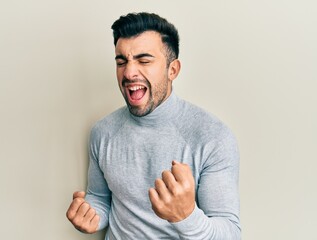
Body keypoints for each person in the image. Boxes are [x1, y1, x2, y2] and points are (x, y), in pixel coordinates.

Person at [66, 12, 241, 239]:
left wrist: (186, 217)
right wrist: (91, 215)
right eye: (121, 62)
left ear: (173, 70)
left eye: (144, 60)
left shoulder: (213, 137)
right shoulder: (103, 131)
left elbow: (230, 233)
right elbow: (100, 198)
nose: (129, 72)